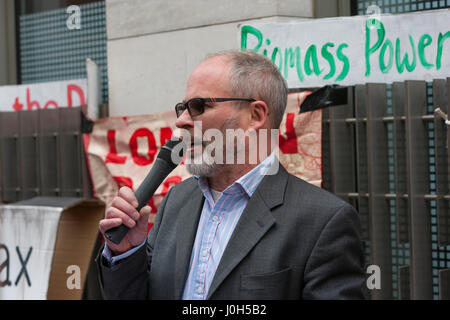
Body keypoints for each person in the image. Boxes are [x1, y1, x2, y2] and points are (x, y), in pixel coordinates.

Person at [96, 50, 367, 300]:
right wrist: (126, 253)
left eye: (199, 106)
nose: (181, 120)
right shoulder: (178, 200)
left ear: (255, 115)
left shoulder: (323, 222)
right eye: (182, 108)